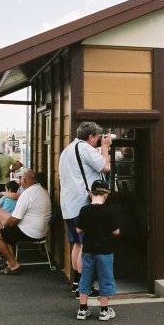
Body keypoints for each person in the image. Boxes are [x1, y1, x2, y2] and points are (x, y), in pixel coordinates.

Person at [58, 121, 111, 294]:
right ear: (91, 136)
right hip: (82, 204)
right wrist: (105, 147)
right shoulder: (85, 148)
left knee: (76, 244)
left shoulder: (68, 150)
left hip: (68, 204)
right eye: (97, 137)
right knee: (86, 247)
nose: (98, 140)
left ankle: (77, 282)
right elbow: (105, 167)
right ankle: (85, 286)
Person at [0, 169, 51, 274]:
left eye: (20, 179)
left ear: (24, 180)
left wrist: (5, 228)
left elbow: (15, 219)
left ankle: (13, 264)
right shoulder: (41, 190)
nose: (19, 181)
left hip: (30, 232)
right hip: (38, 229)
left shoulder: (27, 194)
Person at [76, 180, 120, 321]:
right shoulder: (109, 211)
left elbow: (78, 229)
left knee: (86, 278)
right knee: (105, 279)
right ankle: (104, 310)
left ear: (90, 194)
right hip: (105, 251)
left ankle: (82, 309)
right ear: (105, 195)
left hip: (88, 250)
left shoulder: (84, 210)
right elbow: (116, 232)